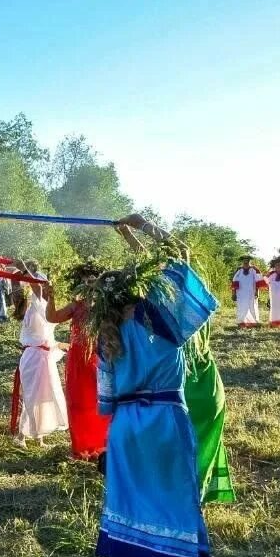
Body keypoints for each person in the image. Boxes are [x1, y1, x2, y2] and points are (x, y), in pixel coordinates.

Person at [93, 263, 217, 557]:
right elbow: (187, 272)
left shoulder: (107, 334)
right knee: (174, 496)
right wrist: (147, 235)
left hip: (126, 425)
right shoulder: (162, 321)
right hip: (164, 420)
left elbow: (105, 401)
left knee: (127, 496)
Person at [115, 215, 235, 505]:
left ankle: (177, 497)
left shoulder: (162, 316)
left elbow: (179, 255)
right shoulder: (190, 309)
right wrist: (133, 232)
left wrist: (140, 225)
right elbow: (175, 259)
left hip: (180, 388)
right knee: (197, 446)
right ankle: (191, 496)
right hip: (206, 384)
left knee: (176, 448)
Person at [44, 262, 109, 461]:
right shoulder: (76, 305)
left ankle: (103, 447)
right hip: (78, 360)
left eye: (92, 280)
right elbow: (53, 317)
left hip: (99, 358)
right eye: (84, 280)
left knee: (100, 402)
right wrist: (51, 297)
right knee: (78, 403)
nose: (88, 284)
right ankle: (81, 448)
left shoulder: (104, 306)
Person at [10, 264, 68, 446]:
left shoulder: (45, 305)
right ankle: (21, 436)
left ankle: (38, 437)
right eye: (44, 286)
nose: (46, 289)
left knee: (44, 396)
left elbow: (48, 337)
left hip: (44, 358)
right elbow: (35, 286)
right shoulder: (37, 303)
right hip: (34, 358)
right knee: (33, 396)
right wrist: (26, 270)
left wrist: (63, 346)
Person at [231, 256, 265, 328]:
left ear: (250, 261)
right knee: (241, 307)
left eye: (247, 261)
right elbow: (234, 282)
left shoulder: (254, 270)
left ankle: (254, 322)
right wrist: (233, 293)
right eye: (244, 261)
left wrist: (257, 292)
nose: (246, 262)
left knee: (252, 306)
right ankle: (241, 322)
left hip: (251, 292)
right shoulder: (239, 270)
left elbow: (258, 281)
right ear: (242, 262)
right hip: (240, 293)